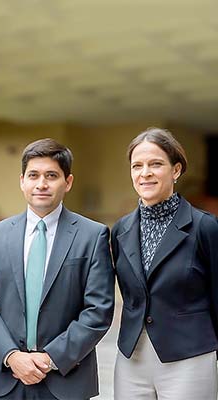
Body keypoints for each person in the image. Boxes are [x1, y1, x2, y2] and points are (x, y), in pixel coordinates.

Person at [0, 138, 115, 400]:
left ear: (68, 182)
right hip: (6, 380)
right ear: (22, 181)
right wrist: (12, 356)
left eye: (51, 175)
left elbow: (98, 311)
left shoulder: (92, 235)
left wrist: (49, 359)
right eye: (33, 175)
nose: (41, 184)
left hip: (66, 380)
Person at [111, 127, 218, 399]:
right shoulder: (120, 230)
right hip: (131, 358)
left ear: (176, 170)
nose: (145, 172)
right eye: (137, 166)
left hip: (189, 356)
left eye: (155, 164)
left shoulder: (205, 227)